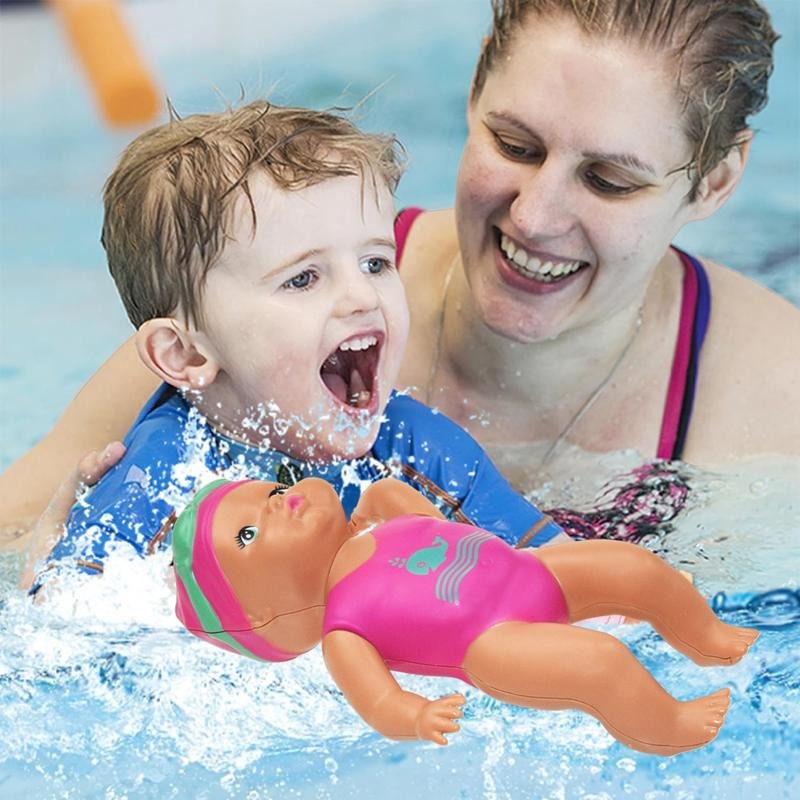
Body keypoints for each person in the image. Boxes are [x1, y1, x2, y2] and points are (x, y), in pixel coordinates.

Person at [2, 0, 798, 543]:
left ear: (718, 180)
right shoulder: (259, 307)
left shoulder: (770, 402)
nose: (535, 217)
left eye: (609, 181)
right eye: (514, 144)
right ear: (476, 80)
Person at [30, 101, 567, 589]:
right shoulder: (162, 479)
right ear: (186, 355)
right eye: (304, 278)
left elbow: (566, 576)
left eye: (375, 262)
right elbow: (62, 637)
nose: (361, 296)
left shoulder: (417, 448)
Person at [171, 475, 758, 755]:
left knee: (636, 567)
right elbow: (377, 701)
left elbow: (389, 496)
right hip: (491, 641)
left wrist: (403, 506)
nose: (280, 503)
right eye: (249, 532)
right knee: (601, 662)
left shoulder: (377, 514)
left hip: (530, 572)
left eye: (270, 491)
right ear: (265, 615)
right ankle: (670, 728)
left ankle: (708, 634)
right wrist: (418, 715)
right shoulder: (342, 631)